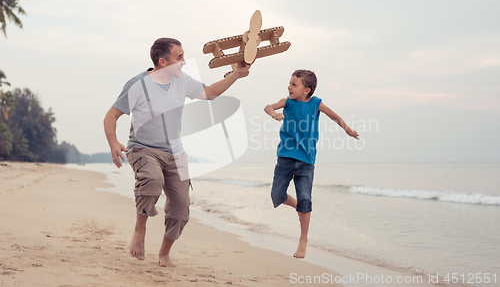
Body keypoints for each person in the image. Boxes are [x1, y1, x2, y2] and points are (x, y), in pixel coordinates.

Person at [103, 37, 250, 267]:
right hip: (143, 149)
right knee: (152, 179)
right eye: (179, 57)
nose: (184, 62)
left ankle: (164, 253)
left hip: (176, 153)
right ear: (163, 62)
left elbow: (210, 93)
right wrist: (113, 142)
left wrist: (236, 74)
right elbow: (111, 115)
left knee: (181, 207)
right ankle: (139, 230)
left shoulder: (181, 81)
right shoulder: (137, 85)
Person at [264, 69, 359, 259]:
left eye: (294, 84)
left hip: (307, 160)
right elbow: (268, 106)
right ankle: (300, 207)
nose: (289, 87)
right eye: (289, 83)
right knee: (277, 195)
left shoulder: (316, 103)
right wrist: (274, 114)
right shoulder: (287, 102)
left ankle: (303, 240)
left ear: (306, 90)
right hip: (285, 157)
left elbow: (334, 116)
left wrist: (348, 130)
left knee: (306, 199)